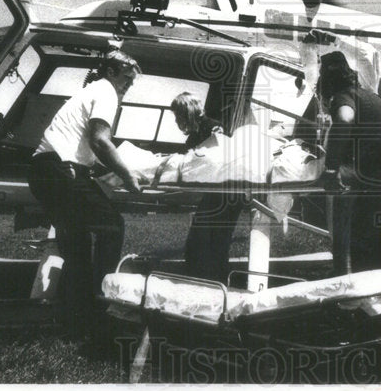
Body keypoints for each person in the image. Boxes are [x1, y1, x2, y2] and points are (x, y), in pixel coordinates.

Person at [27, 49, 142, 335]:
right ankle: (105, 299)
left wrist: (104, 170)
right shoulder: (106, 92)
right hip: (59, 171)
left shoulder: (91, 90)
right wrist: (129, 176)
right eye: (127, 78)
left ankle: (75, 314)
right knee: (111, 225)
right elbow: (100, 141)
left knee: (76, 246)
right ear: (111, 72)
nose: (129, 85)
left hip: (44, 170)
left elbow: (87, 152)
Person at [318, 51, 381, 275]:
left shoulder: (343, 96)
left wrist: (331, 167)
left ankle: (357, 304)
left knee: (362, 247)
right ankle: (378, 306)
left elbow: (345, 120)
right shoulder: (372, 97)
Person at [168, 92, 243, 283]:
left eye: (178, 115)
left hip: (228, 190)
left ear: (187, 112)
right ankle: (207, 278)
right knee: (207, 238)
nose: (177, 120)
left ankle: (212, 280)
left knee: (214, 238)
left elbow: (218, 156)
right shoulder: (196, 133)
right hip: (218, 190)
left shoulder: (213, 128)